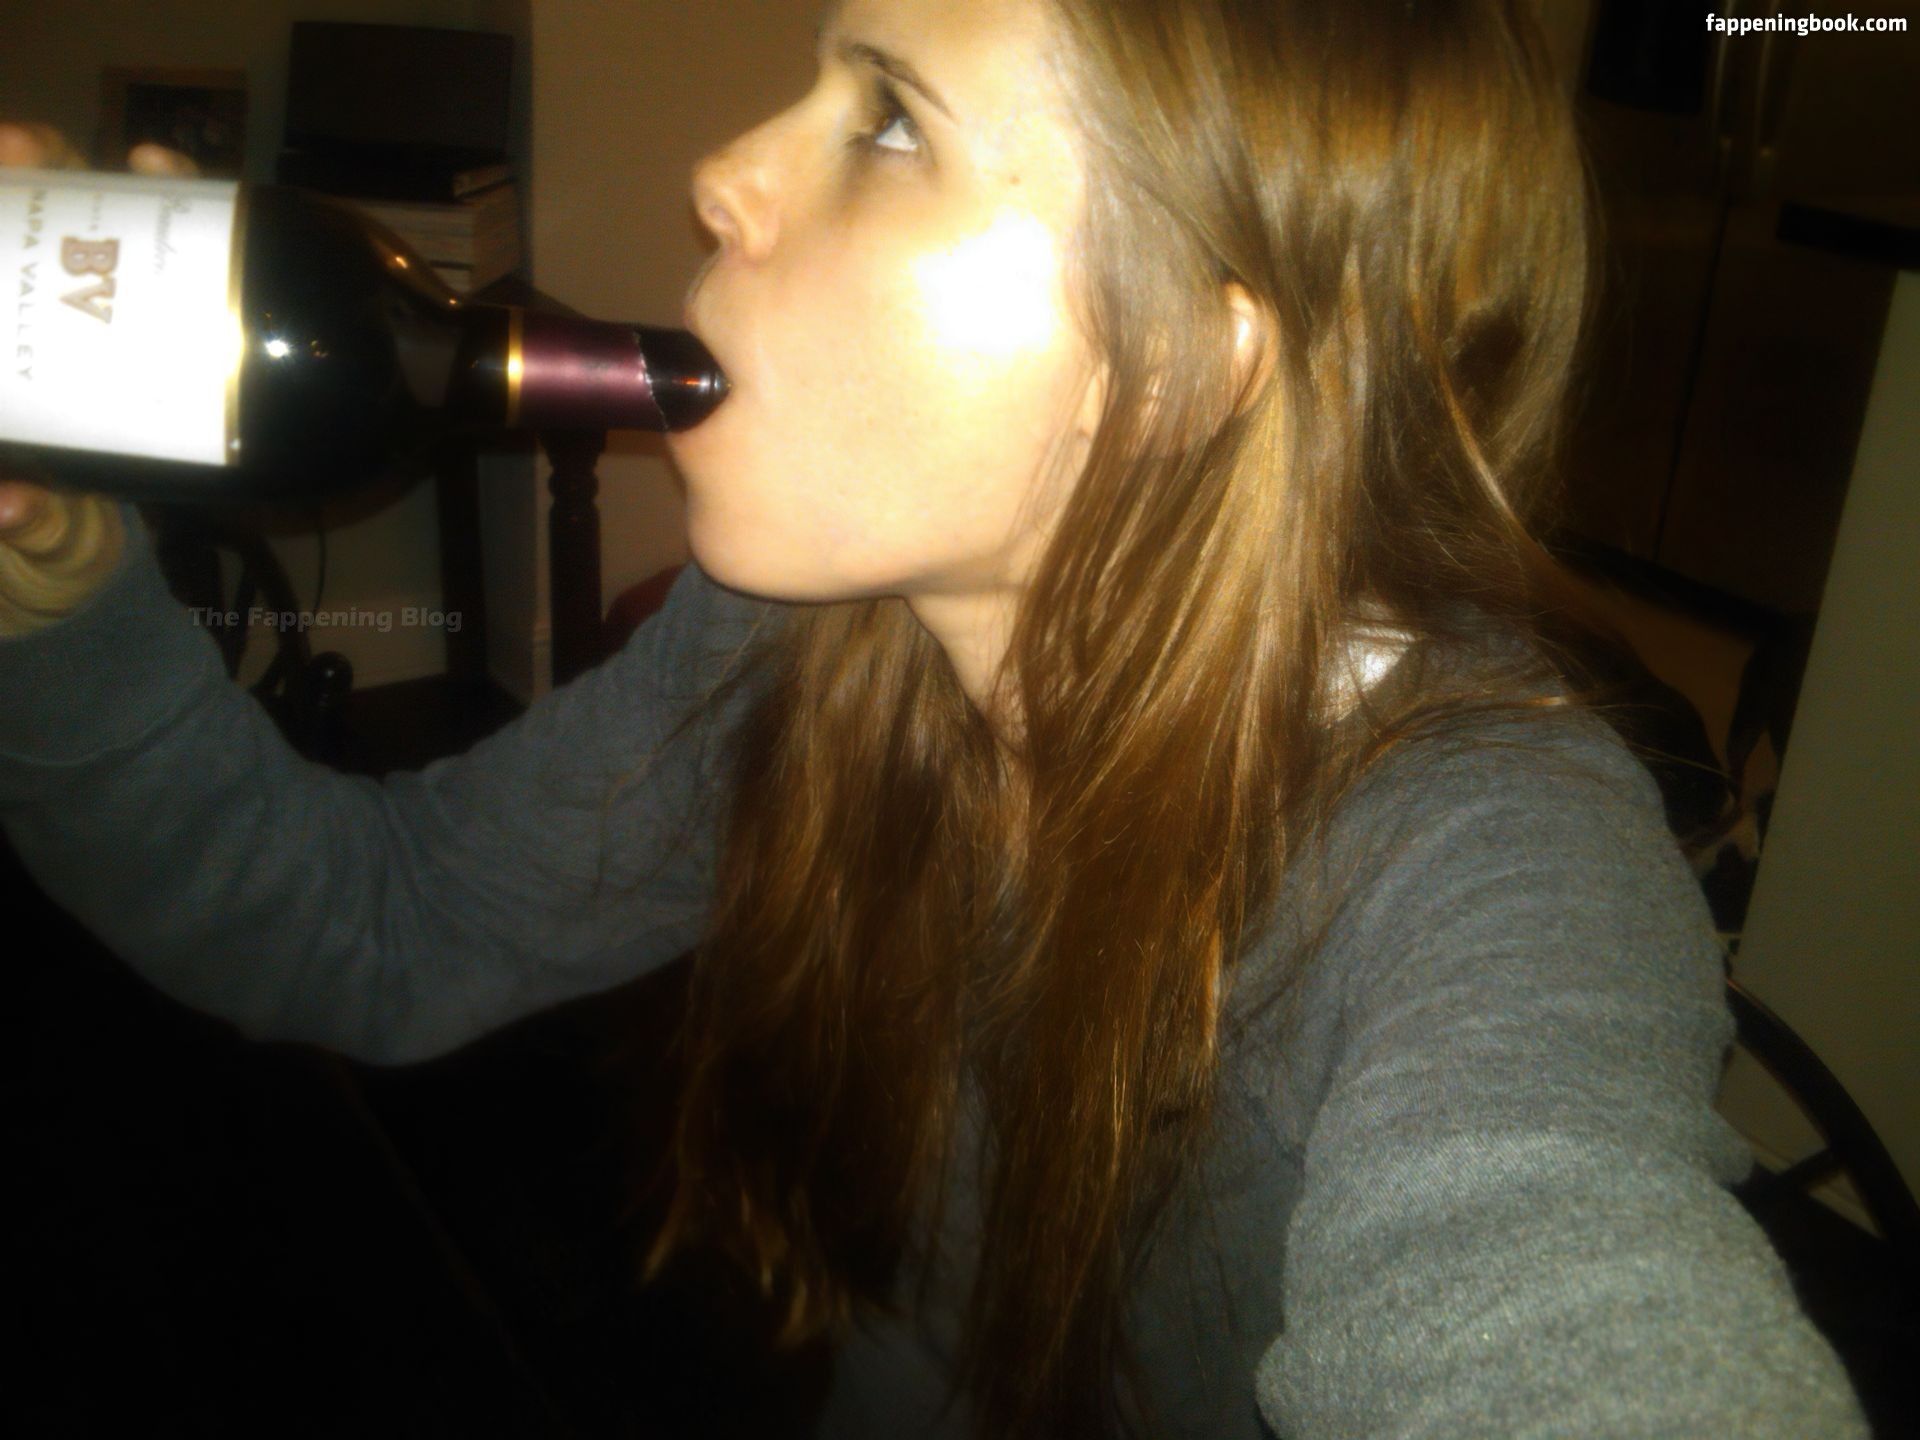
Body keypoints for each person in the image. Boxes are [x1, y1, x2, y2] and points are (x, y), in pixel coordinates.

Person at [0, 2, 1871, 1437]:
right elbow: (371, 924)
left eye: (889, 119)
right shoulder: (801, 644)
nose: (724, 171)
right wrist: (59, 591)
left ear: (1183, 360)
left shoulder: (1481, 853)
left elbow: (1556, 1280)